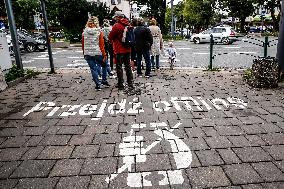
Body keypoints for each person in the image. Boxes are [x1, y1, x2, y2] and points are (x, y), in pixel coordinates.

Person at [82, 17, 109, 91]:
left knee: (93, 68)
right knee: (104, 65)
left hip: (88, 53)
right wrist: (104, 54)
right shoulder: (99, 32)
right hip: (98, 52)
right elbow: (101, 45)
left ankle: (97, 85)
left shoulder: (84, 32)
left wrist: (84, 53)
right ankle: (104, 80)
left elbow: (83, 44)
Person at [108, 11, 134, 90]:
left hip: (119, 49)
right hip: (127, 48)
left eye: (115, 17)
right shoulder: (128, 24)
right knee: (128, 66)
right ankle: (130, 83)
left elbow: (110, 36)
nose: (115, 18)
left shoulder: (116, 26)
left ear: (118, 17)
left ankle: (120, 84)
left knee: (119, 67)